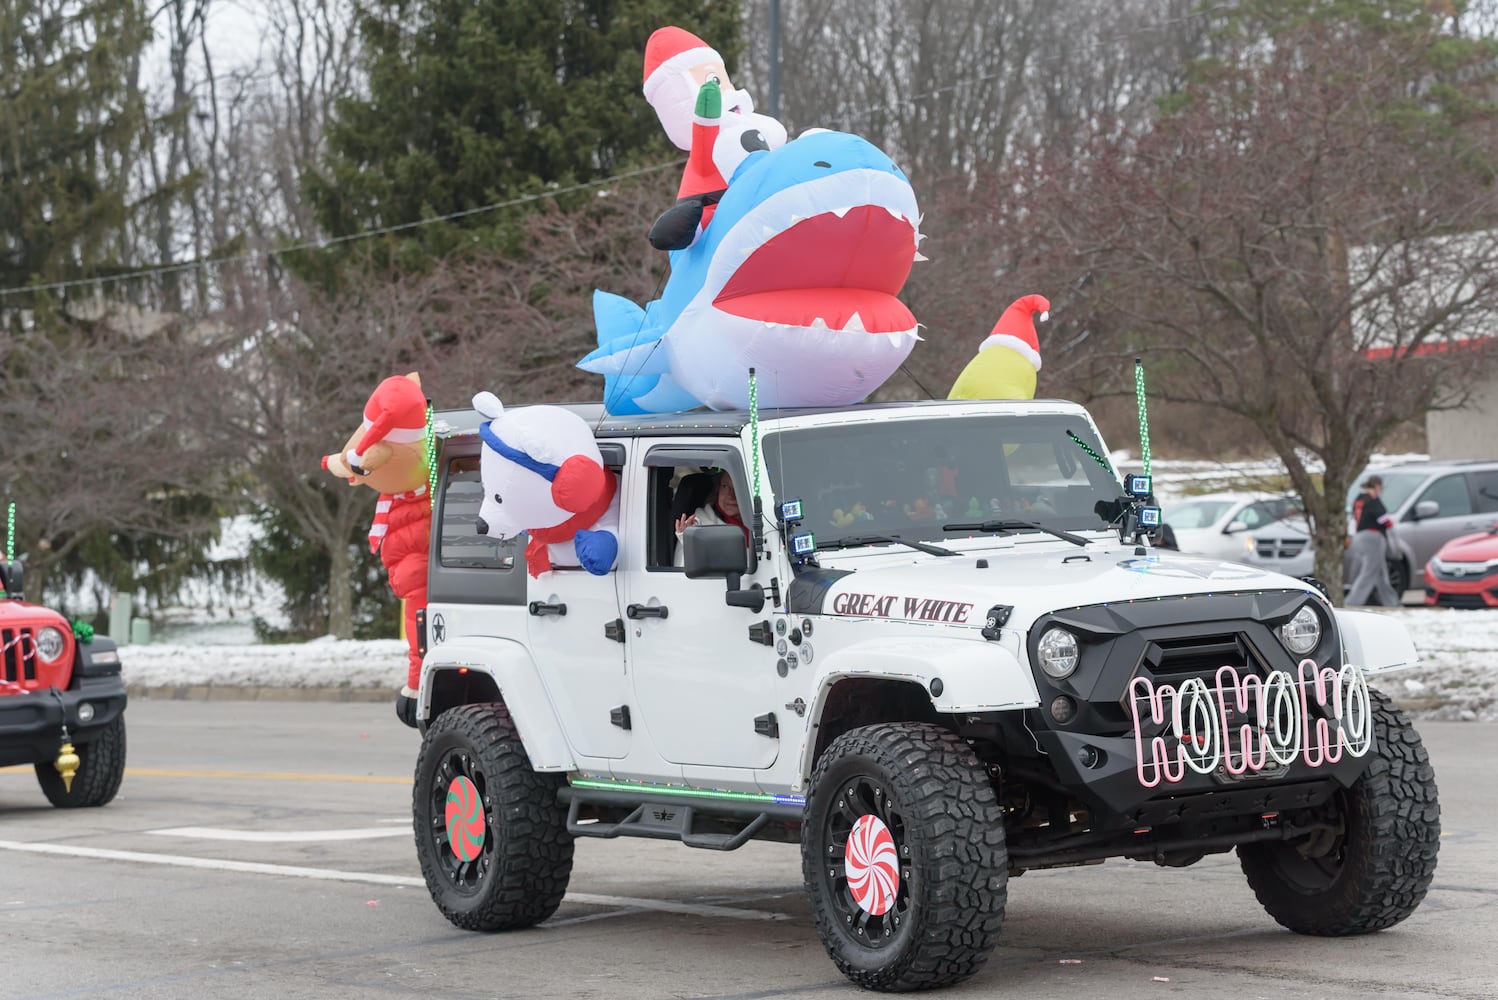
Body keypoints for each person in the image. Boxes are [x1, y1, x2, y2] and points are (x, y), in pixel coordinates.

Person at [674, 470, 749, 566]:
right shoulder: (698, 525)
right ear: (718, 490)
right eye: (725, 486)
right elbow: (687, 573)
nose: (731, 495)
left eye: (738, 488)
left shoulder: (761, 522)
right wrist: (692, 545)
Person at [1346, 475, 1400, 607]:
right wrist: (1390, 523)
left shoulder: (1359, 499)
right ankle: (1352, 602)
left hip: (1359, 537)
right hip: (1373, 538)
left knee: (1381, 574)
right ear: (1377, 486)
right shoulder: (1373, 500)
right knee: (1368, 573)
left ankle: (1391, 602)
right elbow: (1383, 519)